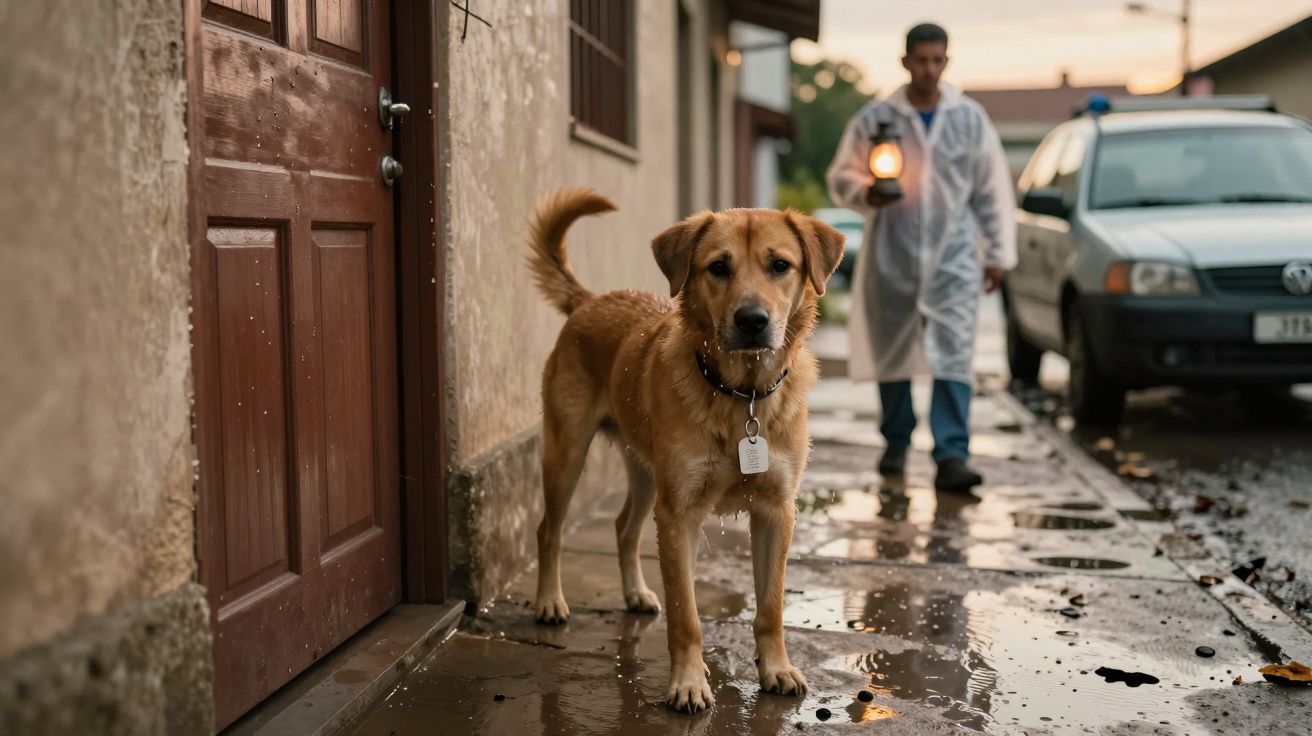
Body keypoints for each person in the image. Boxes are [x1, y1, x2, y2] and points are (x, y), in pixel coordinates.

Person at [826, 22, 1016, 492]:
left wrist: (996, 253)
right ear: (905, 61)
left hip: (954, 258)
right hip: (894, 254)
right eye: (921, 60)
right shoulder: (875, 118)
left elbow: (991, 190)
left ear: (946, 62)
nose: (929, 70)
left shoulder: (969, 119)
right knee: (892, 351)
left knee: (954, 354)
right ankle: (896, 441)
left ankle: (952, 455)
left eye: (937, 60)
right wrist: (867, 192)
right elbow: (841, 176)